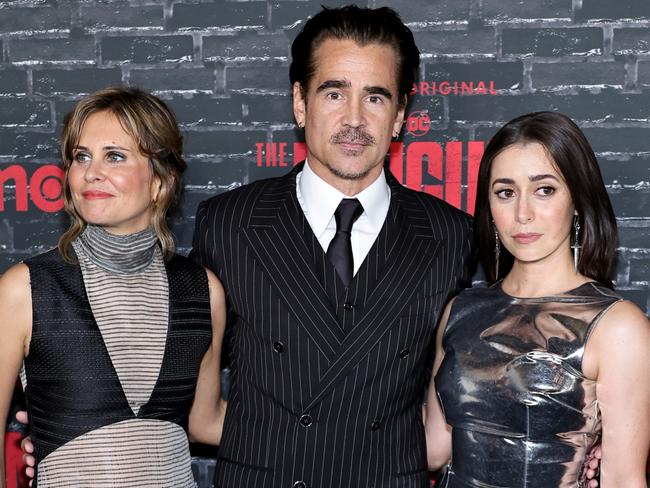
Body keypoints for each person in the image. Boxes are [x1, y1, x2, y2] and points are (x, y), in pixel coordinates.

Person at [189, 5, 474, 488]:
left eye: (376, 98)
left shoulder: (451, 235)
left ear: (401, 114)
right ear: (300, 103)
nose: (355, 120)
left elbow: (464, 390)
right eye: (334, 93)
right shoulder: (229, 222)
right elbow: (179, 373)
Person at [0, 87, 227, 488]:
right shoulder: (25, 290)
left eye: (115, 156)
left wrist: (335, 430)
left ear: (159, 182)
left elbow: (206, 423)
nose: (91, 172)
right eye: (81, 157)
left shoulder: (202, 291)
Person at [425, 112, 650, 487]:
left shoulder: (617, 327)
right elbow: (435, 447)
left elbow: (623, 479)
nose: (522, 213)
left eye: (544, 189)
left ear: (577, 200)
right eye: (505, 192)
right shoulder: (460, 312)